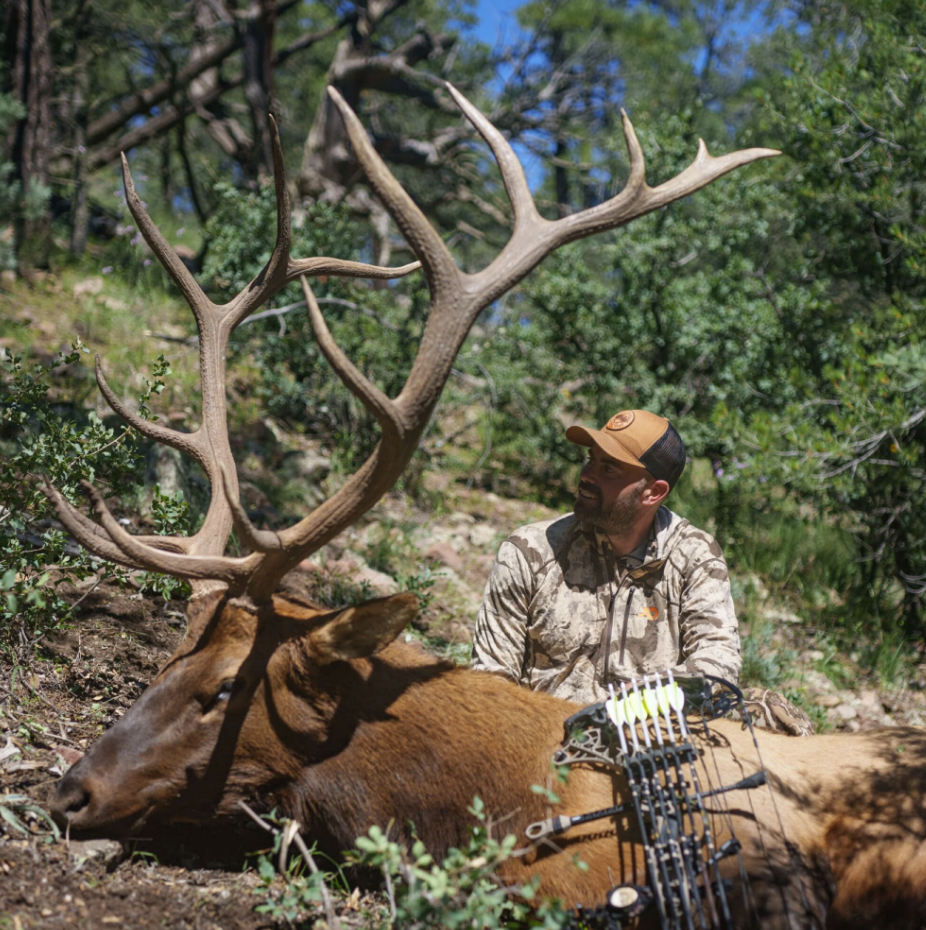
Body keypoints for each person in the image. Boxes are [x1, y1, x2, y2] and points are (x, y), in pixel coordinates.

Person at [472, 409, 742, 706]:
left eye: (609, 469)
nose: (587, 475)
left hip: (649, 727)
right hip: (546, 730)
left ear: (653, 493)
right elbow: (491, 681)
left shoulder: (694, 556)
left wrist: (634, 706)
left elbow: (720, 661)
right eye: (591, 459)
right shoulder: (531, 551)